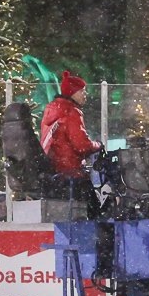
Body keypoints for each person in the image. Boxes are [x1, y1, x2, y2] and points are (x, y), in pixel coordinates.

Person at [40, 70, 103, 215]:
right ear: (72, 93)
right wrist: (98, 145)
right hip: (71, 172)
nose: (85, 95)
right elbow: (82, 145)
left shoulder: (51, 110)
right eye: (82, 91)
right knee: (96, 207)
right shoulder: (71, 111)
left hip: (55, 171)